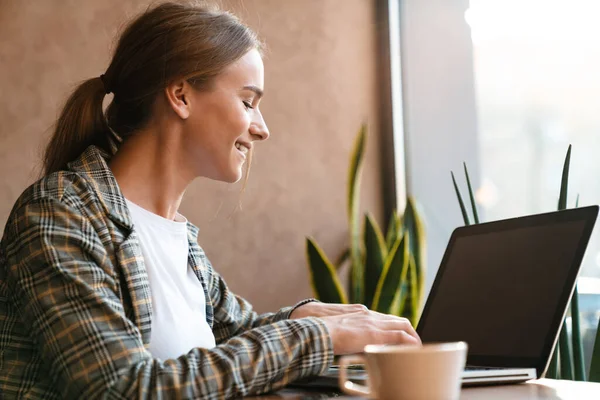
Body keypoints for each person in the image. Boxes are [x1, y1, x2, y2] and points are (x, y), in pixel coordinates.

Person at [0, 2, 421, 399]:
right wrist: (316, 337)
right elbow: (124, 387)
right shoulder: (59, 214)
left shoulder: (179, 240)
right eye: (248, 101)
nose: (262, 129)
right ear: (181, 95)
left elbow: (237, 331)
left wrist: (309, 317)